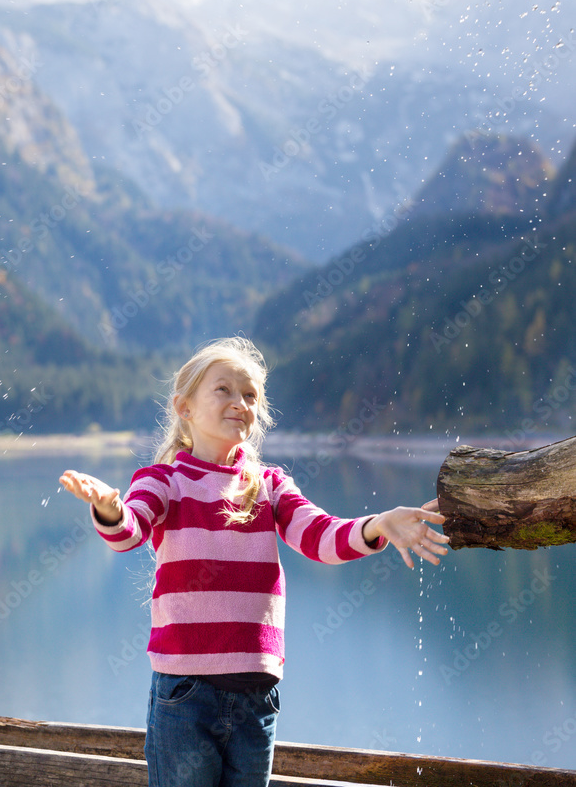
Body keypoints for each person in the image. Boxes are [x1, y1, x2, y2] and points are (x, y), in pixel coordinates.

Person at [60, 336, 448, 787]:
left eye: (249, 395)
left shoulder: (269, 485)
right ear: (184, 408)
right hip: (186, 695)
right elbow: (129, 531)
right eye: (223, 389)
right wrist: (108, 507)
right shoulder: (163, 481)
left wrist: (379, 523)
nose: (239, 402)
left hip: (257, 696)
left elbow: (321, 537)